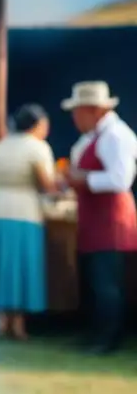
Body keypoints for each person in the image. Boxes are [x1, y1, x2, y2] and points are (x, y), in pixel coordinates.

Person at [62, 81, 137, 354]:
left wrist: (83, 178)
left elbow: (120, 179)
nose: (74, 117)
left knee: (107, 283)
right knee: (94, 280)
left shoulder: (117, 136)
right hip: (95, 218)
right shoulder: (92, 138)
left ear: (94, 110)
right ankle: (94, 334)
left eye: (77, 111)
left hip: (111, 219)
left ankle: (107, 340)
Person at [0, 104, 57, 339]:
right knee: (20, 267)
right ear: (37, 125)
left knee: (0, 266)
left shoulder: (1, 146)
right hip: (24, 211)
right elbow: (47, 184)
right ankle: (18, 325)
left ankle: (1, 322)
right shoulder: (38, 148)